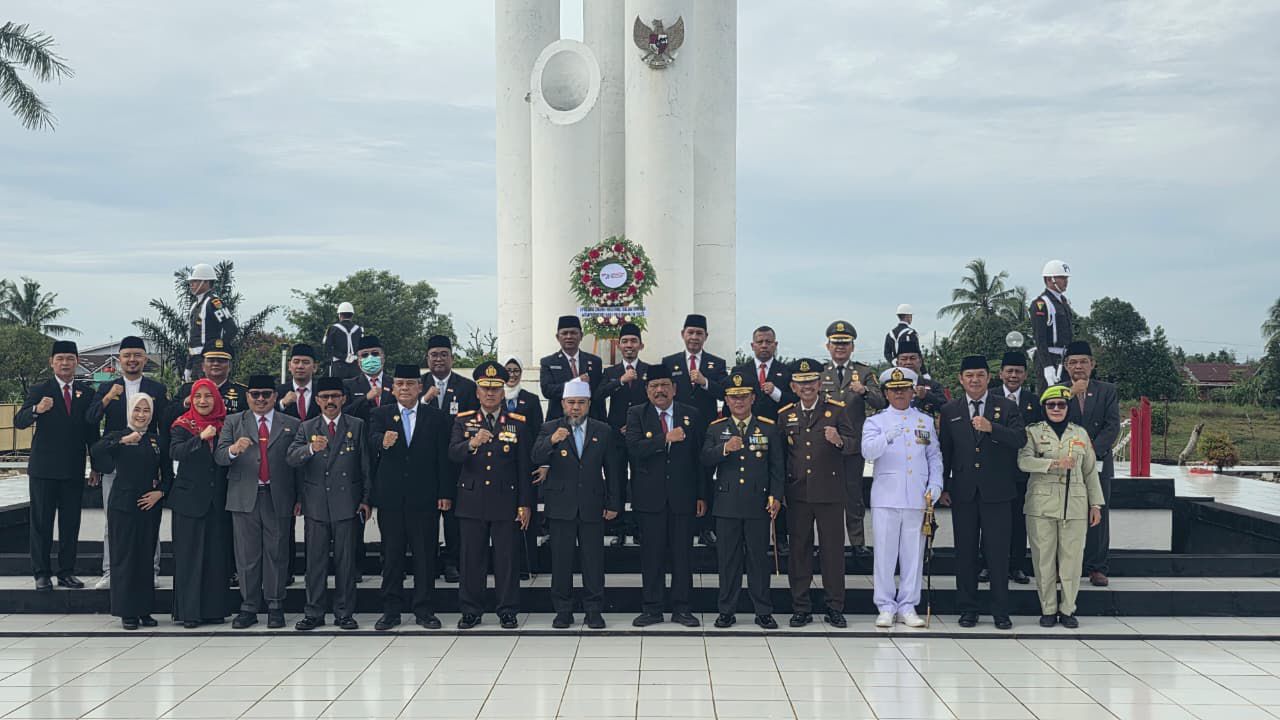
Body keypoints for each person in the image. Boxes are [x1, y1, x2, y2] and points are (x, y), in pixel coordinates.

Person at [938, 355, 1026, 630]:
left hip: (997, 492)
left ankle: (1000, 611)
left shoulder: (1006, 406)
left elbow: (1020, 439)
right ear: (960, 379)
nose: (974, 380)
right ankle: (968, 608)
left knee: (997, 554)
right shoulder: (950, 410)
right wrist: (943, 486)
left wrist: (992, 428)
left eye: (980, 375)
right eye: (969, 375)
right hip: (963, 492)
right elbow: (945, 452)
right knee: (965, 553)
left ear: (989, 377)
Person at [531, 379, 624, 630]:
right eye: (571, 402)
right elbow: (535, 456)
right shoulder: (550, 427)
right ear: (563, 403)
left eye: (581, 403)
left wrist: (614, 502)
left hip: (592, 504)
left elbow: (612, 469)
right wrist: (551, 441)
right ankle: (563, 610)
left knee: (593, 561)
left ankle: (594, 610)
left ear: (589, 404)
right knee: (561, 561)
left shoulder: (602, 430)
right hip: (561, 505)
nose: (575, 407)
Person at [448, 361, 533, 629]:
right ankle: (471, 610)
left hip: (505, 500)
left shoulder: (517, 423)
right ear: (477, 391)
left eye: (495, 389)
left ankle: (507, 609)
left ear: (503, 392)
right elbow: (452, 454)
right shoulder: (463, 421)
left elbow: (523, 467)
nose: (490, 393)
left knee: (506, 559)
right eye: (485, 388)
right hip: (472, 500)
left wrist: (525, 504)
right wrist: (471, 443)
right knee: (471, 559)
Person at [368, 365, 454, 631]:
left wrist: (445, 492)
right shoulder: (380, 414)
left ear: (420, 387)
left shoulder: (436, 417)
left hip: (425, 498)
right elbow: (369, 441)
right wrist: (382, 440)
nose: (404, 388)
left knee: (425, 556)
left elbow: (443, 457)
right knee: (391, 555)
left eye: (410, 383)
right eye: (400, 384)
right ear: (392, 388)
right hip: (391, 498)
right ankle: (391, 611)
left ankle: (424, 610)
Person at [215, 375, 300, 629]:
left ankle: (275, 605)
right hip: (244, 497)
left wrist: (299, 498)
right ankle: (249, 606)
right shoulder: (233, 421)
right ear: (247, 396)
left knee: (277, 553)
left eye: (266, 394)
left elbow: (299, 466)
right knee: (246, 556)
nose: (260, 399)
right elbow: (219, 456)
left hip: (278, 496)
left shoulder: (292, 423)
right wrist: (233, 450)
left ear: (275, 396)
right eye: (255, 394)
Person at [15, 340, 100, 591]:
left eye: (70, 359)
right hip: (44, 470)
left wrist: (96, 466)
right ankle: (41, 573)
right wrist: (37, 409)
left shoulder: (86, 392)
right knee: (41, 523)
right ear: (51, 362)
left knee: (70, 523)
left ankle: (66, 572)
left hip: (73, 469)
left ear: (77, 362)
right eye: (60, 359)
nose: (65, 363)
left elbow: (92, 432)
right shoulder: (40, 389)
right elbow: (19, 421)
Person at [700, 371, 783, 630]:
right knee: (728, 561)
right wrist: (725, 449)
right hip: (727, 504)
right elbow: (704, 459)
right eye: (734, 397)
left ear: (753, 398)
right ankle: (726, 610)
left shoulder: (767, 427)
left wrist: (776, 496)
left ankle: (763, 611)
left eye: (744, 396)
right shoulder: (716, 428)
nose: (739, 401)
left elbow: (777, 467)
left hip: (758, 503)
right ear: (726, 399)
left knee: (758, 560)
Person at [625, 363, 705, 627]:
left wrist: (701, 495)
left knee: (683, 556)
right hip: (650, 499)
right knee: (652, 556)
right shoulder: (636, 414)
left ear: (674, 389)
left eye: (664, 385)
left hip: (683, 497)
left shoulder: (691, 414)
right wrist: (665, 438)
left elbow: (699, 458)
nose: (659, 390)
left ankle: (682, 609)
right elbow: (634, 449)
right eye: (654, 386)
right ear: (647, 390)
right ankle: (652, 609)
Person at [286, 377, 370, 631]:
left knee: (346, 562)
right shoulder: (307, 427)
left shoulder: (356, 425)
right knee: (315, 562)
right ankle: (314, 612)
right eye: (325, 397)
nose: (330, 401)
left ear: (343, 399)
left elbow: (365, 465)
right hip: (316, 504)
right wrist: (310, 449)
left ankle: (344, 613)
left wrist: (366, 499)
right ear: (318, 400)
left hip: (347, 503)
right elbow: (291, 458)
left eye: (335, 396)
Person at [861, 368, 942, 628]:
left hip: (917, 496)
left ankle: (908, 605)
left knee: (913, 555)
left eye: (904, 389)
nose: (899, 394)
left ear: (912, 392)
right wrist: (887, 436)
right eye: (894, 390)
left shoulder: (924, 421)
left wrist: (936, 483)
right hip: (886, 496)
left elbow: (933, 456)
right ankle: (885, 605)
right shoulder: (876, 421)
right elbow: (867, 452)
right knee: (884, 555)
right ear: (886, 393)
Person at [779, 358, 857, 628]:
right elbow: (781, 457)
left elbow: (855, 445)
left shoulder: (836, 411)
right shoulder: (785, 415)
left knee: (832, 553)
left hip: (830, 493)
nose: (807, 387)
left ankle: (834, 606)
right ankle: (801, 607)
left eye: (811, 381)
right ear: (793, 386)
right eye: (801, 383)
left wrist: (840, 440)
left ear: (820, 383)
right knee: (799, 552)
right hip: (798, 493)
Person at [86, 335, 168, 590]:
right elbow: (90, 419)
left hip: (146, 462)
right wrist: (108, 397)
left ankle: (151, 570)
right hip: (116, 462)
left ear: (145, 359)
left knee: (148, 518)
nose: (132, 360)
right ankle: (111, 571)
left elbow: (164, 425)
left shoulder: (156, 389)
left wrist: (160, 464)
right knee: (113, 520)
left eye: (137, 355)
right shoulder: (107, 387)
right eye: (127, 355)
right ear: (119, 359)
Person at [1019, 386, 1104, 628]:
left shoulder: (1080, 434)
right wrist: (1054, 463)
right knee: (1043, 560)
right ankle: (1048, 609)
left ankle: (1068, 609)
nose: (1056, 409)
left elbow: (1090, 471)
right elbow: (1023, 461)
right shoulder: (1033, 432)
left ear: (1068, 407)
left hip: (1074, 505)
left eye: (1061, 405)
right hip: (1041, 505)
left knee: (1072, 561)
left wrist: (1095, 504)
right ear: (1044, 407)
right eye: (1051, 405)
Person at [89, 393, 167, 630]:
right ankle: (127, 611)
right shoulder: (118, 436)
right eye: (137, 410)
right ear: (129, 411)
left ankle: (144, 609)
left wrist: (160, 493)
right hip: (123, 504)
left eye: (146, 410)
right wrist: (122, 441)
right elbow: (97, 451)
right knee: (124, 558)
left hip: (149, 505)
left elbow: (168, 473)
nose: (141, 415)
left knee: (145, 558)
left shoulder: (156, 440)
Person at [168, 378, 236, 628]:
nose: (203, 401)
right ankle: (189, 613)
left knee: (216, 557)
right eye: (198, 396)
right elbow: (176, 452)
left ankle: (214, 610)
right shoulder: (182, 424)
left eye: (208, 396)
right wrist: (200, 437)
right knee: (189, 557)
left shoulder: (227, 424)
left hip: (218, 501)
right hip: (189, 501)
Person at [817, 320, 885, 558]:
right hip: (824, 445)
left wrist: (864, 391)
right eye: (836, 343)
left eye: (845, 343)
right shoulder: (820, 373)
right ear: (828, 346)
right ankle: (827, 542)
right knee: (825, 496)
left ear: (852, 347)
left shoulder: (864, 372)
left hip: (852, 445)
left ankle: (857, 542)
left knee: (853, 495)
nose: (840, 347)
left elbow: (881, 401)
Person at [662, 313, 727, 547]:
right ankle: (679, 523)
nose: (694, 337)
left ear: (706, 336)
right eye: (690, 332)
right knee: (680, 473)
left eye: (699, 333)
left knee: (706, 475)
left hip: (706, 429)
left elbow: (726, 393)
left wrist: (705, 382)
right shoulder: (669, 362)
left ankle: (706, 527)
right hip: (677, 428)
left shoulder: (716, 363)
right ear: (683, 334)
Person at [1060, 340, 1120, 587]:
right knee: (1065, 514)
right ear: (1066, 366)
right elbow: (1052, 419)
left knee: (1097, 514)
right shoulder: (1058, 391)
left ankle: (1097, 568)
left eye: (1083, 362)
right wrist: (1071, 394)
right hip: (1067, 461)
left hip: (1098, 461)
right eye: (1073, 362)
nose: (1078, 366)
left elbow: (1112, 425)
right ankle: (1065, 566)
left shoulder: (1107, 390)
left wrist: (1090, 451)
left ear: (1092, 364)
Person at [980, 351, 1041, 585]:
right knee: (990, 521)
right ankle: (987, 565)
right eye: (1009, 371)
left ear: (1025, 375)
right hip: (993, 468)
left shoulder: (1033, 401)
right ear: (1000, 373)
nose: (1013, 375)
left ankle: (1016, 566)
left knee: (1018, 519)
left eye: (1018, 371)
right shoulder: (989, 396)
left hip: (1021, 471)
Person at [424, 334, 479, 583]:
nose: (439, 359)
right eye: (434, 355)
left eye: (444, 354)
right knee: (426, 517)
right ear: (427, 358)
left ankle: (452, 562)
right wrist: (425, 399)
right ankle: (428, 562)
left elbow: (471, 422)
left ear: (452, 358)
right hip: (425, 461)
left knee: (454, 517)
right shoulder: (418, 384)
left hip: (455, 460)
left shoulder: (466, 387)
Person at [597, 322, 652, 546]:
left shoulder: (649, 370)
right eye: (625, 341)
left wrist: (638, 426)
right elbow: (598, 395)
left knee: (641, 482)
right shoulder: (611, 372)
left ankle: (639, 528)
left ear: (641, 345)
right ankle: (618, 529)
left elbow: (654, 402)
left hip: (642, 436)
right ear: (619, 345)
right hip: (616, 436)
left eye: (633, 341)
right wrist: (620, 381)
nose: (629, 345)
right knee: (616, 480)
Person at [504, 356, 544, 580]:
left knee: (527, 513)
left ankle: (528, 564)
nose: (512, 374)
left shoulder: (530, 399)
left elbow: (539, 432)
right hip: (500, 464)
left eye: (516, 370)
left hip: (525, 463)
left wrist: (541, 462)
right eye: (508, 370)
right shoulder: (494, 397)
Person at [540, 316, 605, 421]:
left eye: (573, 333)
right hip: (559, 420)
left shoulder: (595, 362)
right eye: (564, 333)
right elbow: (547, 390)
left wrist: (603, 422)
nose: (569, 337)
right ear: (557, 337)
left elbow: (598, 395)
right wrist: (577, 381)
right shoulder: (548, 362)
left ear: (581, 336)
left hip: (590, 421)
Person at [185, 263, 237, 380]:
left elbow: (231, 329)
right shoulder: (195, 306)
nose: (191, 285)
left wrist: (217, 349)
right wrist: (188, 366)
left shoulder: (213, 303)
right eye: (191, 282)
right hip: (196, 361)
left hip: (209, 360)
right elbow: (192, 340)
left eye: (195, 281)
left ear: (206, 282)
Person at [1031, 260, 1074, 392]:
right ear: (1050, 279)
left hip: (1064, 358)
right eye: (1062, 278)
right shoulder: (1042, 303)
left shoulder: (1063, 301)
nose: (1066, 281)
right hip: (1049, 357)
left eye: (1066, 278)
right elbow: (1039, 338)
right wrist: (1047, 365)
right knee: (1048, 396)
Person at [342, 335, 394, 421]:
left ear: (383, 358)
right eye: (364, 355)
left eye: (375, 353)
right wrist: (366, 398)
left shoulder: (394, 384)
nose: (370, 358)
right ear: (358, 361)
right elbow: (343, 413)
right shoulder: (348, 385)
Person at [895, 336, 947, 417]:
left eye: (912, 358)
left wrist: (926, 395)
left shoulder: (933, 385)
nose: (908, 362)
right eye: (904, 359)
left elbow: (946, 408)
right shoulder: (889, 386)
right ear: (897, 363)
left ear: (920, 362)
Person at [278, 343, 321, 421]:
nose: (300, 366)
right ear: (289, 366)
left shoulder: (322, 392)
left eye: (306, 362)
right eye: (296, 362)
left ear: (314, 367)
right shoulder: (278, 392)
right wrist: (282, 404)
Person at [323, 302, 363, 379]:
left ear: (340, 315)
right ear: (352, 315)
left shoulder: (333, 328)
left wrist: (341, 357)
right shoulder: (359, 329)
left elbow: (327, 347)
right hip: (355, 366)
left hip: (338, 366)